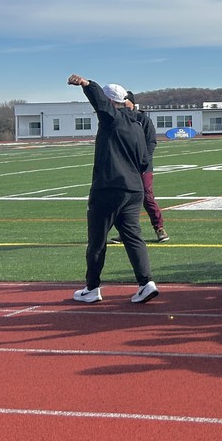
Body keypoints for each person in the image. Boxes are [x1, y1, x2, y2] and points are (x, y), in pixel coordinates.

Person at [66, 75, 159, 305]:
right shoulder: (137, 125)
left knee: (97, 240)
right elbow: (145, 161)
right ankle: (146, 282)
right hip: (134, 189)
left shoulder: (112, 119)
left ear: (110, 102)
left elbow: (100, 102)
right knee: (133, 237)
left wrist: (87, 84)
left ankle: (92, 288)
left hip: (109, 188)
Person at [125, 92, 167, 242]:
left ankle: (159, 228)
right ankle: (126, 231)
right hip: (124, 166)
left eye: (125, 101)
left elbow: (151, 142)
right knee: (124, 199)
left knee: (147, 196)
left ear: (132, 103)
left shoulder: (143, 119)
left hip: (142, 166)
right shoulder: (119, 119)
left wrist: (143, 161)